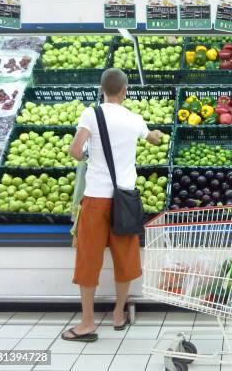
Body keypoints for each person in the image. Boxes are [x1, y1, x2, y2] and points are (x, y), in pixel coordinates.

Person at [62, 68, 162, 342]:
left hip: (95, 198)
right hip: (125, 199)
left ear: (101, 88)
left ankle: (87, 323)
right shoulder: (135, 119)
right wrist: (155, 134)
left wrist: (87, 154)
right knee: (125, 258)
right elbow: (152, 138)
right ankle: (119, 314)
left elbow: (74, 150)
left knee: (89, 259)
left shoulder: (90, 114)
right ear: (125, 90)